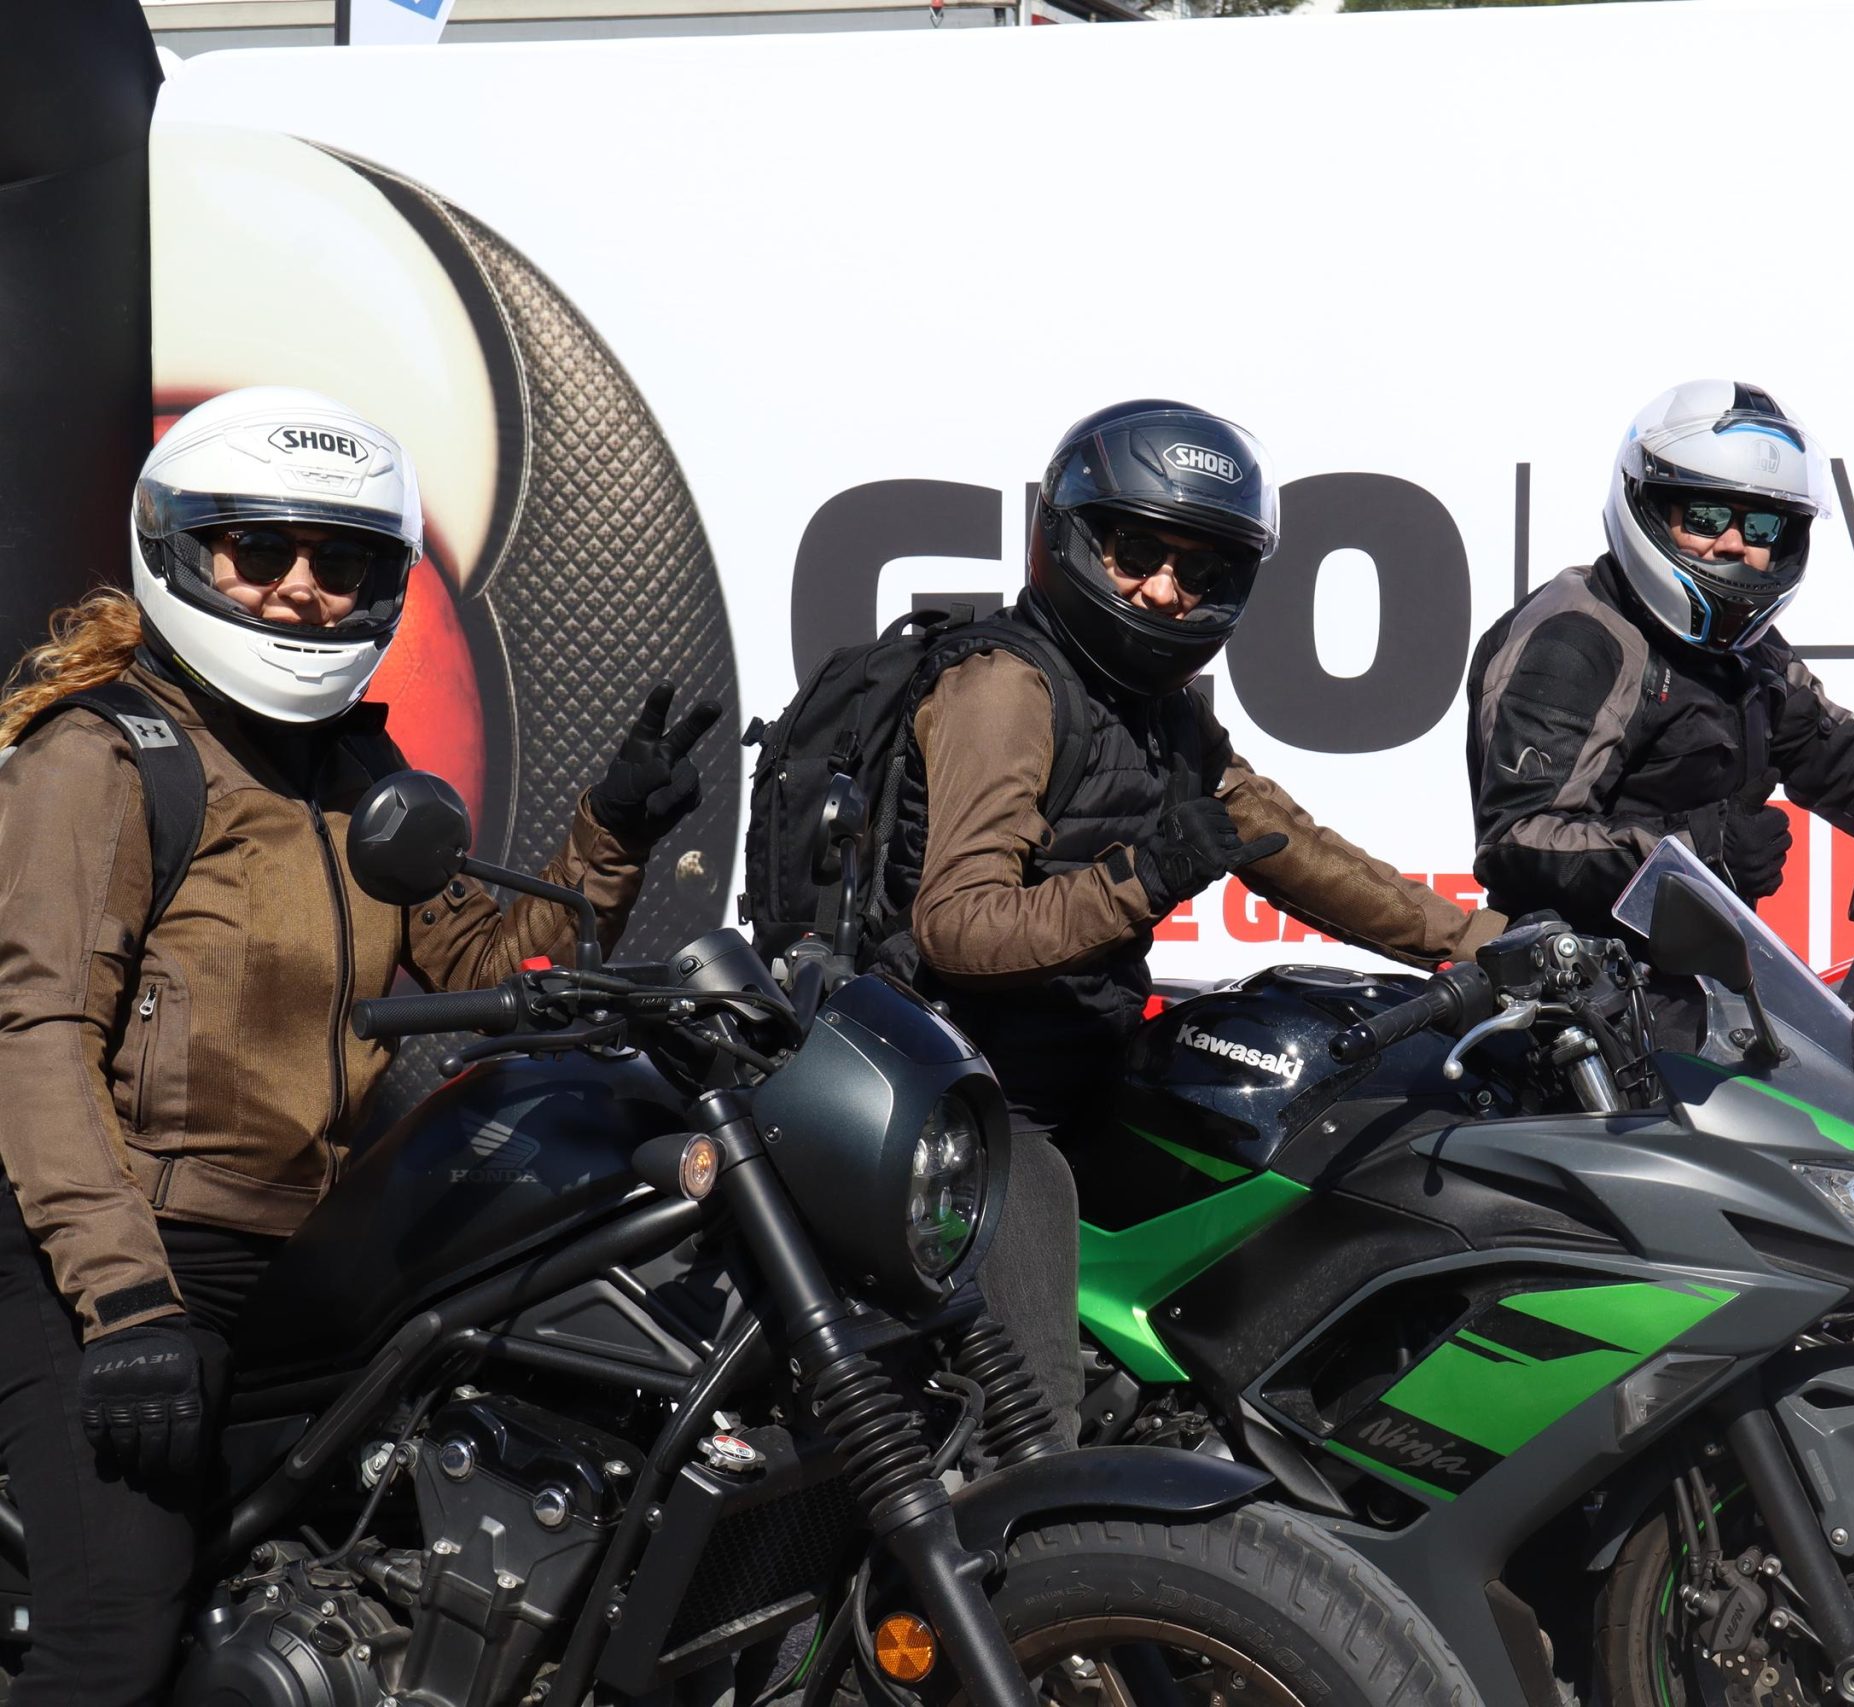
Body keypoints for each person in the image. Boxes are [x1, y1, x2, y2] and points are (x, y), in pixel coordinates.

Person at [0, 386, 716, 1706]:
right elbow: (36, 1035)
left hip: (317, 1260)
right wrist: (128, 1300)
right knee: (113, 1642)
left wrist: (608, 834)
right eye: (258, 551)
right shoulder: (104, 756)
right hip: (116, 1251)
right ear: (179, 548)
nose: (299, 589)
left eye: (340, 562)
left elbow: (496, 973)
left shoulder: (360, 774)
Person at [882, 399, 1504, 1419]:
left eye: (1201, 572)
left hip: (1087, 1077)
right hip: (975, 1101)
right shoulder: (1006, 688)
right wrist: (1138, 879)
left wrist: (1484, 942)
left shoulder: (1157, 713)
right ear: (1070, 538)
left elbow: (1287, 843)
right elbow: (958, 926)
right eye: (1135, 554)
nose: (1165, 591)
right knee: (1035, 1424)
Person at [1467, 378, 1854, 948]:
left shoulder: (1747, 654)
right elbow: (1516, 843)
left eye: (1758, 525)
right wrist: (1698, 847)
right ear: (1651, 506)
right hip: (1572, 990)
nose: (1733, 543)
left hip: (1704, 976)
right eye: (1705, 517)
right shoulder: (1578, 640)